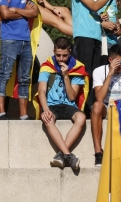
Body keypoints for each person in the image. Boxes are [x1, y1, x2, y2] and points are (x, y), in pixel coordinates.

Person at [34, 37, 87, 170]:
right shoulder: (47, 66)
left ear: (70, 52)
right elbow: (41, 91)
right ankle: (68, 155)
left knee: (81, 118)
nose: (61, 59)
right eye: (58, 55)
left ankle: (61, 155)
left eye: (64, 55)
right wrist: (45, 109)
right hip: (51, 105)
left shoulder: (77, 67)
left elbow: (72, 96)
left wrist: (66, 76)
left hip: (68, 105)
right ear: (54, 51)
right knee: (48, 118)